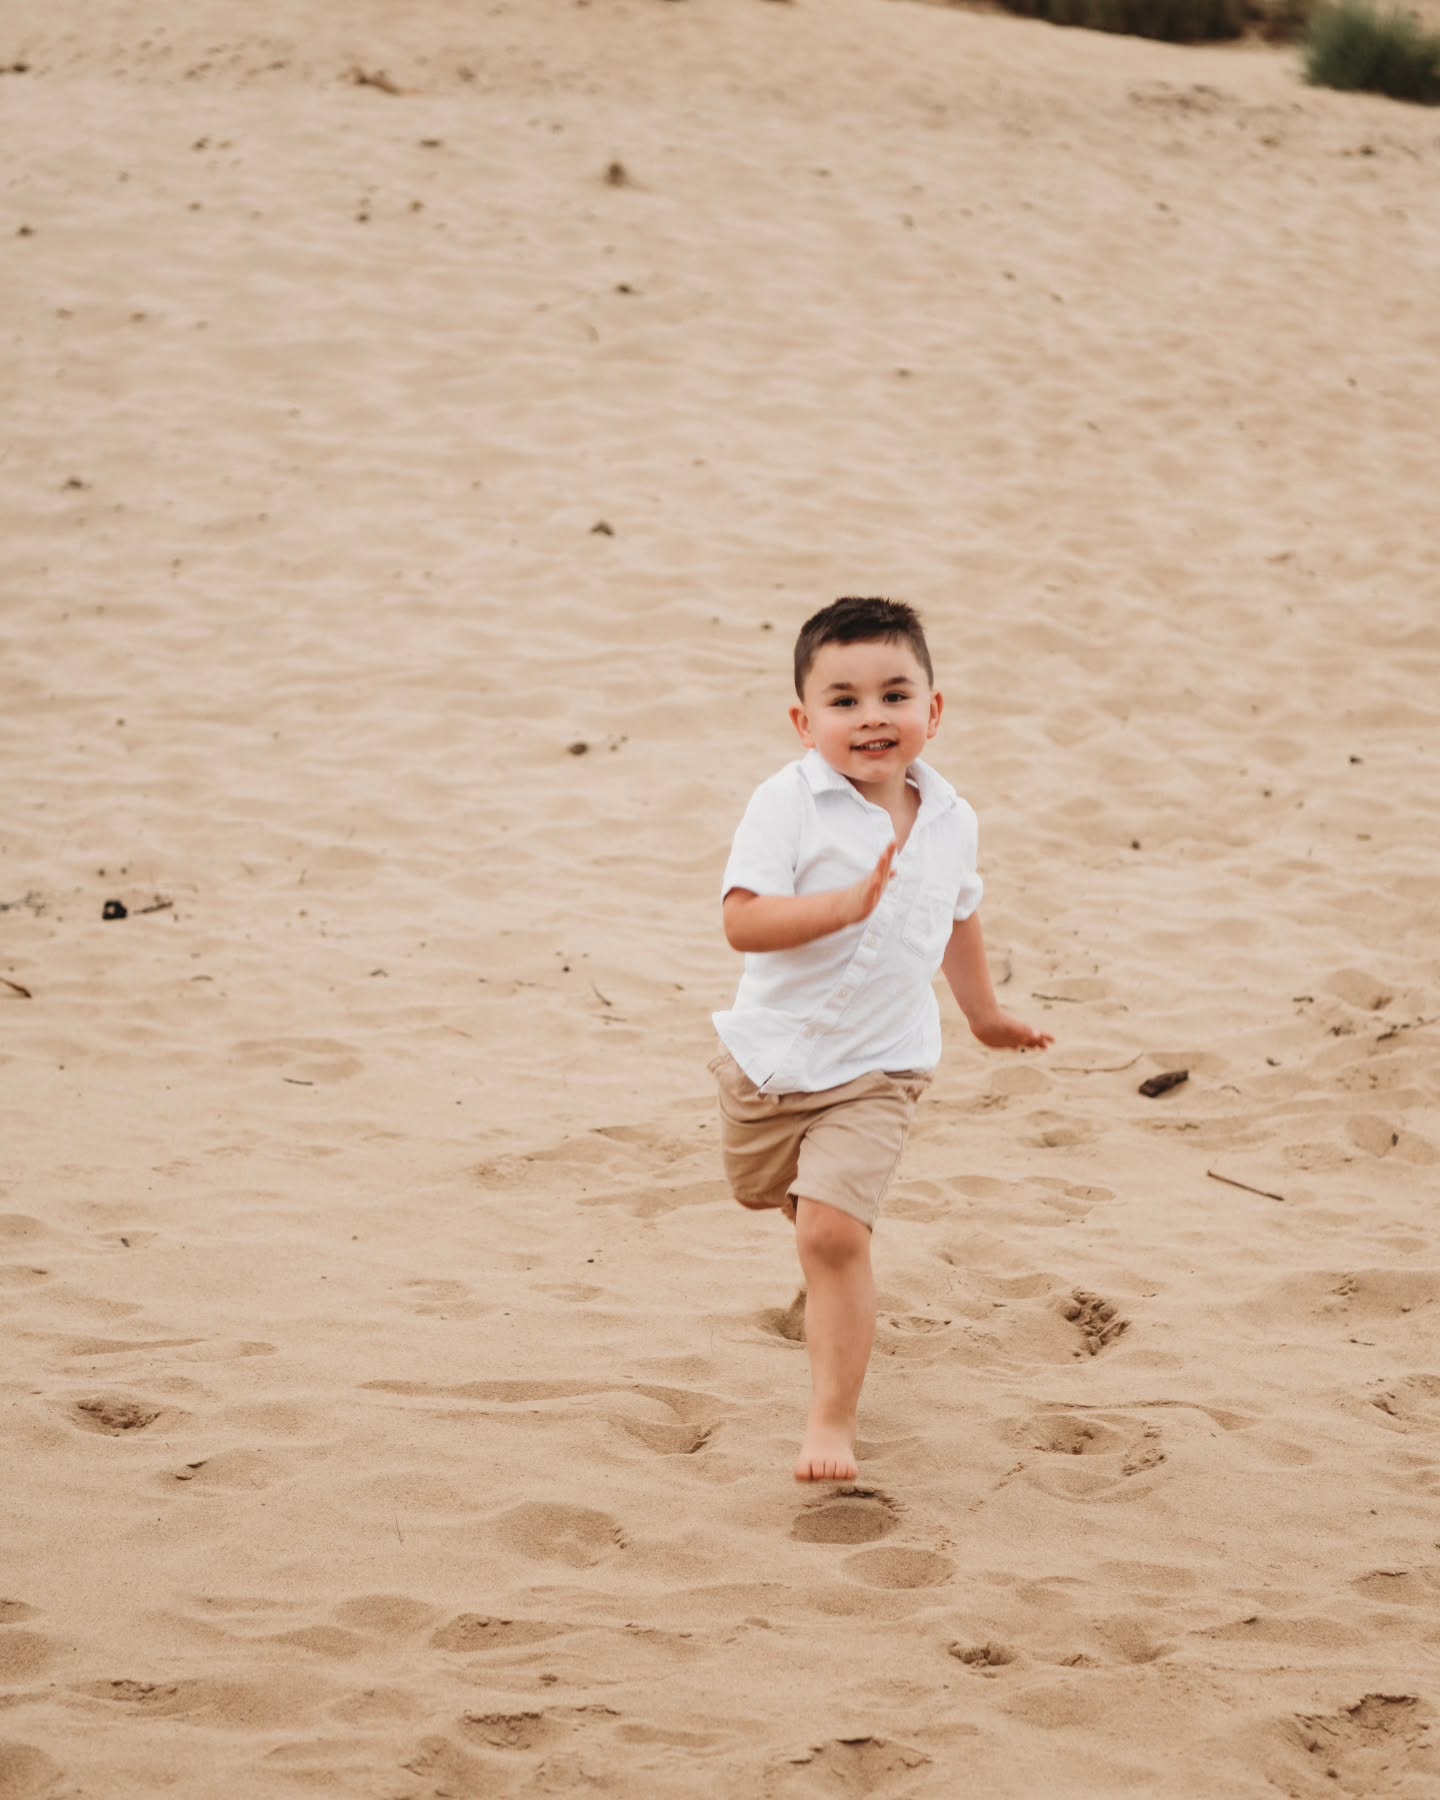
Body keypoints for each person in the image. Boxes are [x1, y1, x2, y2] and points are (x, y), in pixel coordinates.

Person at [710, 596, 1053, 1483]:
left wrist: (983, 1016)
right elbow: (742, 923)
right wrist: (844, 906)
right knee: (770, 1198)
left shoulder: (952, 818)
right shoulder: (786, 804)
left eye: (895, 696)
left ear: (932, 710)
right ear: (804, 722)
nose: (872, 717)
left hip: (880, 1067)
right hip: (772, 1058)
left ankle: (831, 1422)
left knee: (832, 1235)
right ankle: (822, 1237)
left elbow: (958, 916)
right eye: (845, 700)